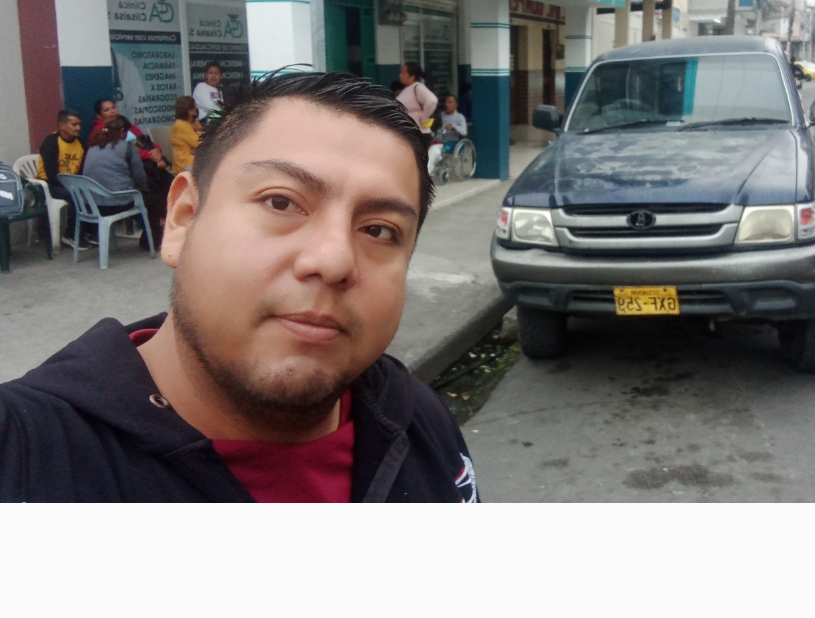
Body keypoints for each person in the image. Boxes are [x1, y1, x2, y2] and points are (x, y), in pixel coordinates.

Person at [0, 70, 479, 504]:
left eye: (379, 230)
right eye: (281, 202)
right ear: (183, 219)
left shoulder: (417, 418)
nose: (333, 261)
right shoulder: (25, 456)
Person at [36, 109, 84, 198]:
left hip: (72, 184)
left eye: (79, 124)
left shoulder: (81, 144)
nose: (78, 128)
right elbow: (51, 175)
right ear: (62, 125)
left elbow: (82, 170)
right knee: (72, 195)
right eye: (74, 125)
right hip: (48, 184)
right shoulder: (51, 143)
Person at [396, 59, 438, 130]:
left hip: (418, 131)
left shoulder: (418, 87)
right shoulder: (408, 88)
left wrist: (424, 118)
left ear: (412, 76)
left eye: (403, 73)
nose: (400, 75)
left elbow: (432, 101)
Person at [170, 96, 202, 177]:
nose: (196, 109)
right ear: (189, 111)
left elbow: (207, 139)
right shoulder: (181, 125)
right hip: (185, 163)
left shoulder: (194, 123)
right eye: (195, 107)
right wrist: (198, 149)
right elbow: (200, 143)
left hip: (197, 158)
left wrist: (196, 150)